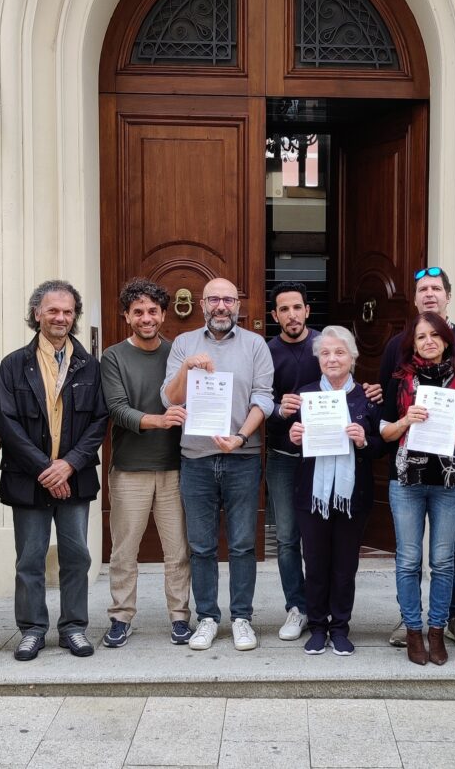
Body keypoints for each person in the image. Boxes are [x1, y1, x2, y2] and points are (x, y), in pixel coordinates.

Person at [0, 280, 108, 662]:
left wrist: (68, 465)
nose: (61, 317)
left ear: (74, 316)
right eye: (53, 310)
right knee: (30, 557)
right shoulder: (14, 365)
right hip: (29, 478)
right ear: (37, 314)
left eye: (67, 311)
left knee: (77, 556)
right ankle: (32, 630)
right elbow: (7, 422)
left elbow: (99, 421)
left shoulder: (90, 366)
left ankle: (73, 627)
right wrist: (47, 469)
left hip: (75, 477)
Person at [161, 278, 274, 652]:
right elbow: (170, 399)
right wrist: (187, 368)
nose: (221, 306)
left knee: (242, 544)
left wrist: (240, 436)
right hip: (196, 459)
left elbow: (263, 399)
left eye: (228, 299)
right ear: (202, 304)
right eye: (213, 299)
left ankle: (242, 618)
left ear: (238, 305)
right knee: (201, 546)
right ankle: (207, 618)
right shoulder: (184, 343)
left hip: (243, 457)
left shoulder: (255, 345)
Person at [379, 266, 455, 651]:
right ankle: (410, 621)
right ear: (414, 298)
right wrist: (405, 422)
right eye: (422, 289)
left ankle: (453, 617)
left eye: (436, 288)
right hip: (407, 474)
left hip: (453, 472)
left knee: (452, 550)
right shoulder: (397, 351)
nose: (429, 294)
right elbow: (384, 413)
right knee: (409, 558)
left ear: (448, 296)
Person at [100, 278, 191, 649]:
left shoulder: (178, 354)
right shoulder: (113, 357)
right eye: (138, 312)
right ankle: (121, 618)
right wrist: (160, 419)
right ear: (127, 316)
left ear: (164, 314)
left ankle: (180, 617)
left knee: (178, 551)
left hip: (175, 466)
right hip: (130, 469)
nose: (146, 318)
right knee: (124, 551)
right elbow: (117, 409)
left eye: (153, 311)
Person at [287, 326, 383, 656]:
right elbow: (290, 438)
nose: (332, 359)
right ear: (318, 359)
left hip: (352, 496)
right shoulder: (305, 395)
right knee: (315, 564)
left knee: (344, 566)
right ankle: (317, 627)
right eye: (325, 353)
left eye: (339, 352)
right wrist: (293, 437)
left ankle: (340, 627)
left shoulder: (368, 397)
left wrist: (364, 441)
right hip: (311, 495)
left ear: (352, 358)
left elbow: (382, 446)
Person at [265, 281, 321, 642]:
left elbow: (345, 389)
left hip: (323, 457)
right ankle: (297, 608)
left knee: (319, 537)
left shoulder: (326, 346)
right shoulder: (266, 352)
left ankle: (321, 606)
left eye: (297, 307)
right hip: (282, 457)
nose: (292, 315)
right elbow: (255, 400)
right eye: (284, 309)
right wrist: (276, 409)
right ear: (275, 315)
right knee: (286, 537)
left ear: (307, 311)